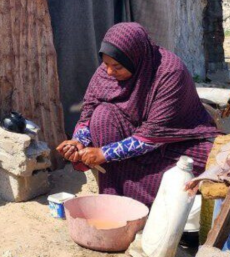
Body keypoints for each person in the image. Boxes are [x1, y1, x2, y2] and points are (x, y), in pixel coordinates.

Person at [57, 22, 220, 207]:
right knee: (102, 116)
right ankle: (116, 195)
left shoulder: (169, 72)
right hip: (131, 138)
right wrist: (79, 142)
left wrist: (105, 153)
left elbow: (153, 136)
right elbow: (88, 113)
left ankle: (144, 199)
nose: (109, 71)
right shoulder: (106, 72)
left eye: (117, 66)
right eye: (106, 64)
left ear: (135, 59)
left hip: (175, 140)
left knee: (211, 166)